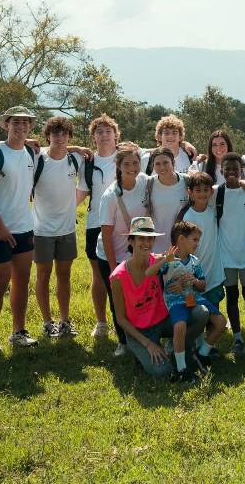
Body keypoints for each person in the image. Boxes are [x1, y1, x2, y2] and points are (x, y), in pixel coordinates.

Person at [109, 216, 210, 379]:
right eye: (141, 239)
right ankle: (143, 352)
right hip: (139, 330)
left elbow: (178, 267)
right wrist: (148, 343)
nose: (146, 243)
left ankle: (179, 350)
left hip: (162, 321)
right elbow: (121, 319)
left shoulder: (158, 260)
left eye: (150, 239)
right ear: (131, 241)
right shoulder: (118, 277)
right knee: (162, 371)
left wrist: (180, 282)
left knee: (201, 313)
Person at [0, 106, 41, 352]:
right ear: (6, 125)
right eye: (16, 122)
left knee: (22, 280)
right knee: (0, 280)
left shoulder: (30, 152)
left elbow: (57, 149)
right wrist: (1, 228)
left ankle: (18, 331)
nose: (21, 127)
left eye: (25, 123)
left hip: (24, 227)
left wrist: (79, 148)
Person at [148, 221, 226, 382]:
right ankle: (181, 368)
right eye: (195, 240)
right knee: (180, 325)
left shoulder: (195, 261)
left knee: (220, 322)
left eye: (198, 240)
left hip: (193, 298)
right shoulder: (168, 260)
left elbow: (203, 285)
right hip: (175, 301)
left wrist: (194, 281)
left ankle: (201, 354)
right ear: (181, 239)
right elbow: (150, 274)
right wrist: (164, 260)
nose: (198, 243)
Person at [78, 113, 130, 339]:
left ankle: (129, 320)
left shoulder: (127, 156)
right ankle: (101, 322)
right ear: (93, 137)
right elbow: (79, 194)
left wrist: (186, 144)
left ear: (116, 135)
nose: (104, 135)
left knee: (128, 274)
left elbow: (163, 150)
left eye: (109, 131)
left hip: (125, 225)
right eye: (99, 132)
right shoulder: (88, 163)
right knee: (99, 275)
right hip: (96, 223)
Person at [32, 117, 83, 338]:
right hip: (41, 230)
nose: (60, 138)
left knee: (65, 276)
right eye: (55, 134)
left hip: (67, 230)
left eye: (64, 134)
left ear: (69, 136)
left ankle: (64, 321)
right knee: (43, 275)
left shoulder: (76, 159)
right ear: (48, 136)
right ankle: (46, 322)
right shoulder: (37, 159)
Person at [96, 144, 148, 356]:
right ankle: (123, 342)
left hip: (135, 253)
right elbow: (106, 235)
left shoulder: (144, 181)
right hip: (112, 254)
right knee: (118, 299)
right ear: (118, 166)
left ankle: (143, 337)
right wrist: (112, 268)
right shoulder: (110, 196)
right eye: (127, 164)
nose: (132, 168)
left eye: (135, 163)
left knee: (139, 297)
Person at [217, 152, 245, 356]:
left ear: (242, 170)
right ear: (221, 171)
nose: (232, 172)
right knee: (232, 296)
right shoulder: (216, 193)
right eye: (228, 169)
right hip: (226, 257)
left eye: (236, 169)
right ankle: (236, 338)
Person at [180, 172, 226, 324]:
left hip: (214, 271)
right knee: (195, 312)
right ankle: (196, 342)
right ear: (190, 192)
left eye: (206, 190)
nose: (202, 194)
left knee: (213, 309)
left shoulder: (213, 209)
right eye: (197, 190)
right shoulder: (187, 216)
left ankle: (209, 344)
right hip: (193, 274)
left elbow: (224, 186)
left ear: (211, 191)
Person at [145, 147, 191, 255]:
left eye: (166, 162)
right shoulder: (149, 184)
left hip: (181, 247)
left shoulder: (187, 181)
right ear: (153, 166)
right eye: (157, 164)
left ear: (173, 162)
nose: (162, 167)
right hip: (155, 248)